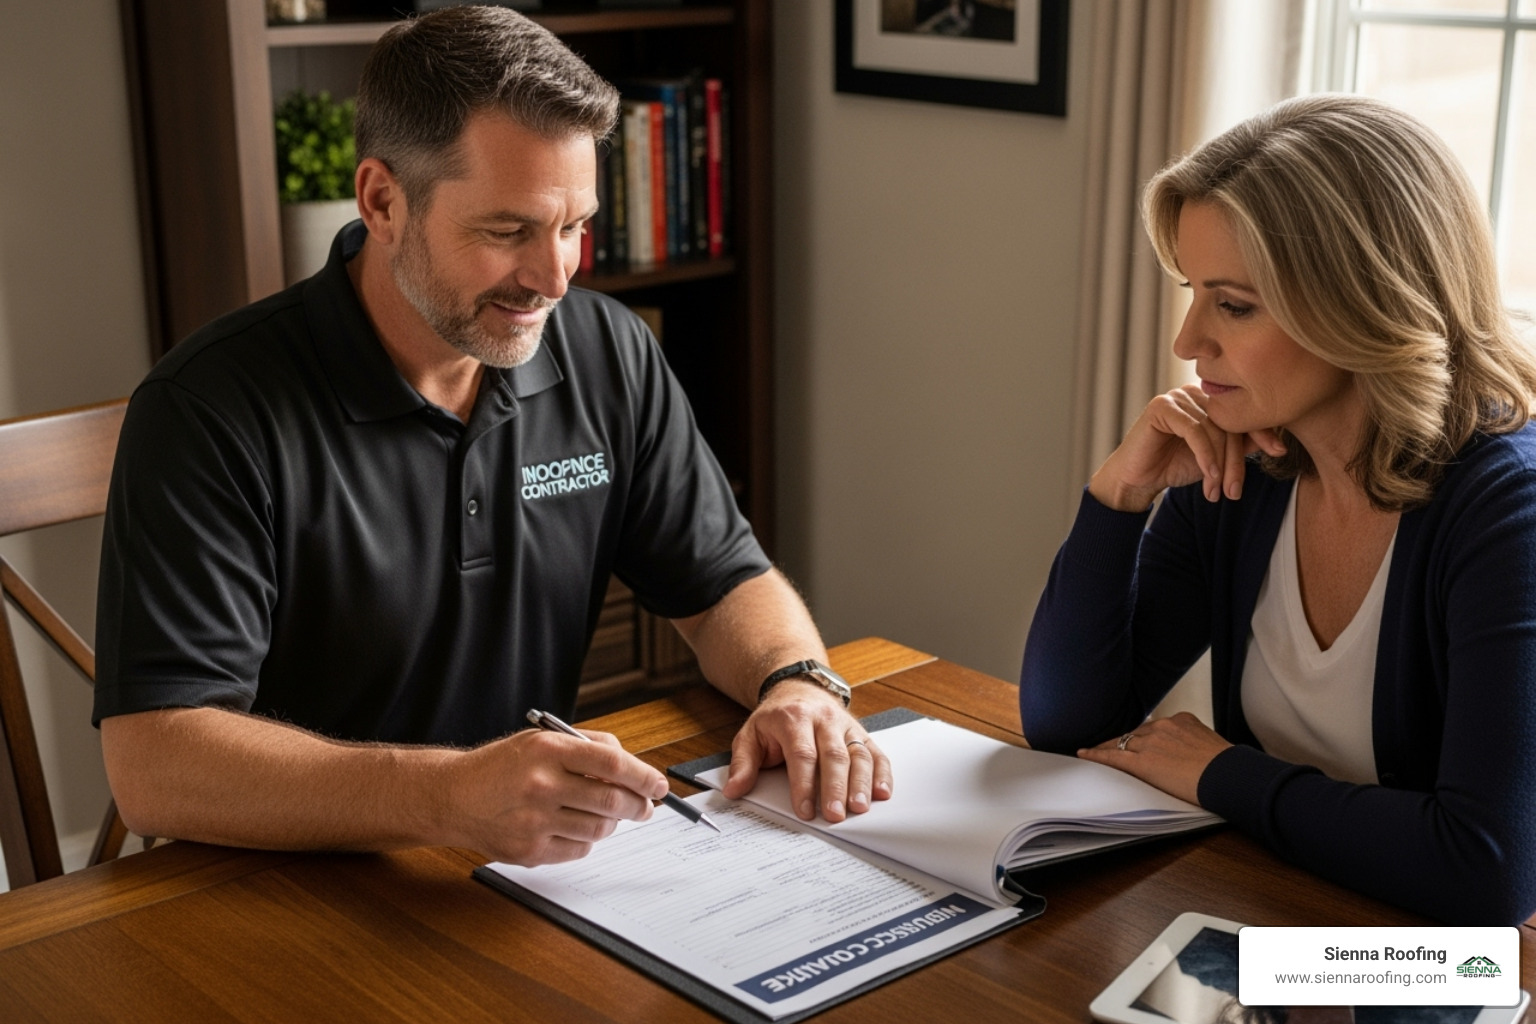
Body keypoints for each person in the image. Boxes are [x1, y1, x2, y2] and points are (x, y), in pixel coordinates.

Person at [94, 5, 890, 868]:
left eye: (575, 226)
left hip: (520, 873)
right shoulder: (209, 407)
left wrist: (796, 682)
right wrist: (444, 797)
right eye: (507, 231)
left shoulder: (608, 350)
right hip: (288, 893)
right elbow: (156, 764)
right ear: (383, 200)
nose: (554, 278)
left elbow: (724, 581)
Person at [1020, 94, 1536, 925]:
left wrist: (1221, 772)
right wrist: (1117, 500)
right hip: (1283, 907)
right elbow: (1065, 722)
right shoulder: (1245, 466)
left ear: (1363, 303)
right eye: (1193, 293)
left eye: (1233, 304)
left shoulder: (1509, 511)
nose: (1188, 342)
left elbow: (1486, 875)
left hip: (1447, 967)